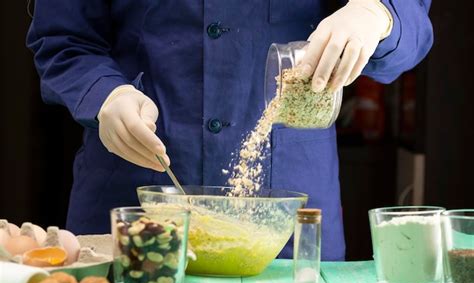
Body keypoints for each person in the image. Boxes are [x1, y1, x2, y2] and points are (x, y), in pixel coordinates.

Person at [27, 0, 433, 261]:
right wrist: (103, 94)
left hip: (289, 215)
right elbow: (62, 37)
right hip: (131, 194)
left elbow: (409, 20)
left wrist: (377, 13)